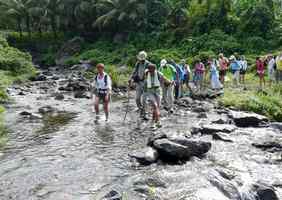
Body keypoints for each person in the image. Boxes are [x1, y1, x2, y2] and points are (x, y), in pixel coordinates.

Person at [143, 63, 170, 128]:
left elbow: (165, 79)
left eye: (152, 70)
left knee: (157, 107)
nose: (151, 71)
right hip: (150, 92)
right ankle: (158, 121)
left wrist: (170, 81)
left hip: (158, 91)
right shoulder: (146, 73)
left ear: (155, 69)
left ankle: (153, 121)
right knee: (155, 106)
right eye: (150, 70)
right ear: (148, 70)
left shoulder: (158, 73)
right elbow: (144, 82)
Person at [128, 51, 150, 119]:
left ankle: (145, 113)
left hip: (146, 84)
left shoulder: (148, 64)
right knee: (137, 99)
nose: (141, 60)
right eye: (140, 59)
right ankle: (141, 110)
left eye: (142, 59)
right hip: (139, 83)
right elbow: (134, 71)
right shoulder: (138, 63)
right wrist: (131, 78)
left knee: (144, 100)